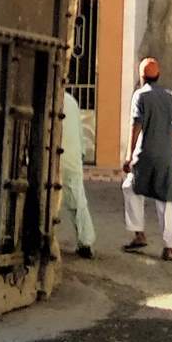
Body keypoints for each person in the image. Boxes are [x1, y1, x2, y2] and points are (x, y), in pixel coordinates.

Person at [121, 57, 172, 261]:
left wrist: (129, 154)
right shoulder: (170, 97)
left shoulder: (140, 96)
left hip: (145, 156)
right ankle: (169, 248)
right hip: (166, 158)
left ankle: (139, 234)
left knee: (130, 188)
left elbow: (136, 125)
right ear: (158, 76)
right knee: (167, 200)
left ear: (142, 77)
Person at [60, 90, 96, 259]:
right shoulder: (71, 101)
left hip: (52, 156)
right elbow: (80, 132)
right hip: (71, 157)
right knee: (78, 201)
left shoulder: (43, 98)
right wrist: (81, 153)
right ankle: (86, 242)